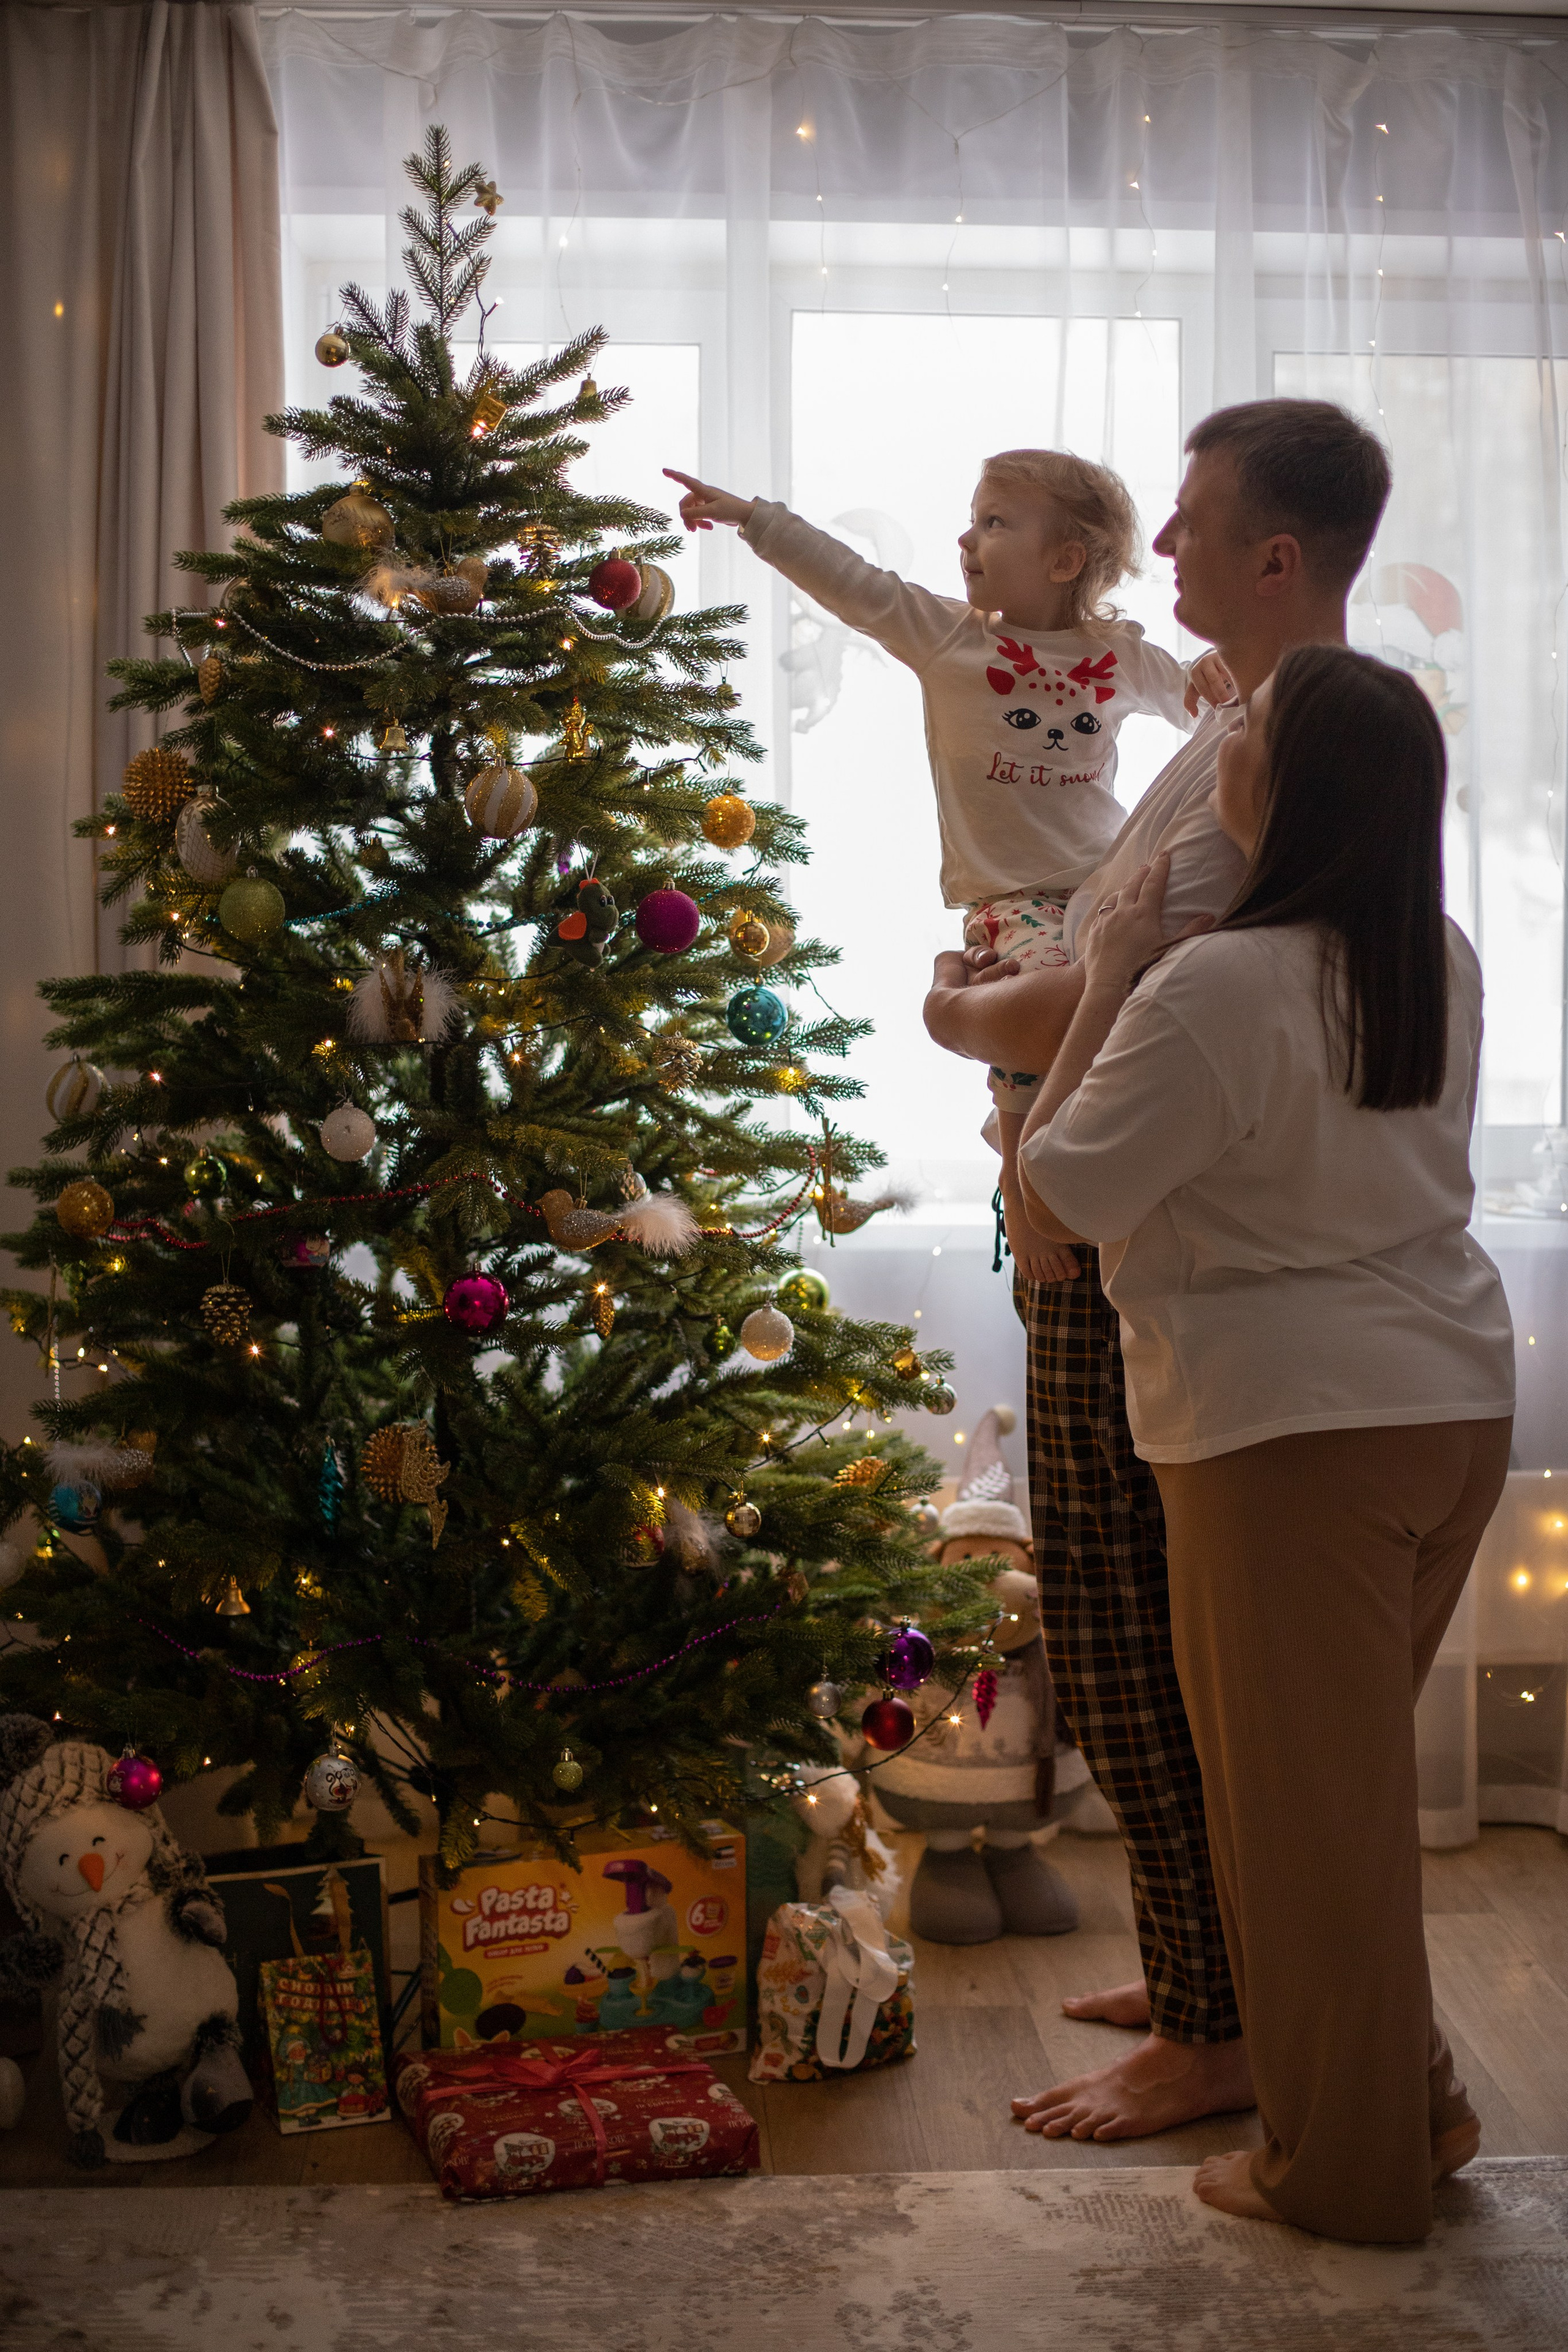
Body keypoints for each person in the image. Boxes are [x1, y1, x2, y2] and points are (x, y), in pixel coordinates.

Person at [922, 399, 1393, 2143]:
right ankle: (1215, 1977)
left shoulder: (1275, 756)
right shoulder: (1234, 730)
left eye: (1190, 520)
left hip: (1128, 1241)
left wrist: (959, 1013)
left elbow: (1118, 991)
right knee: (1138, 1632)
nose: (1161, 543)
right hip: (1123, 1223)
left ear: (1274, 555)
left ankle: (1218, 2029)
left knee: (1120, 1635)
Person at [1014, 644, 1513, 2241]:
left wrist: (1108, 971)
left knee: (1294, 1826)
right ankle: (1411, 2106)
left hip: (1290, 1437)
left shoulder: (1215, 985)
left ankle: (1343, 2173)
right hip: (1447, 1403)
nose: (1220, 740)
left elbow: (1053, 1195)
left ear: (1283, 791)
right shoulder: (1435, 956)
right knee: (1334, 1807)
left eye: (1249, 728)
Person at [663, 453, 1232, 1275]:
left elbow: (1204, 707)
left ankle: (1133, 1162)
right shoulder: (949, 637)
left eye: (994, 522)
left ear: (1065, 561)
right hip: (1011, 895)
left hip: (1104, 880)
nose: (966, 539)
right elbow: (854, 584)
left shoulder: (1118, 655)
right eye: (973, 519)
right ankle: (1021, 1185)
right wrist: (755, 519)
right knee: (1036, 1015)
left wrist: (1211, 669)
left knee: (1137, 1009)